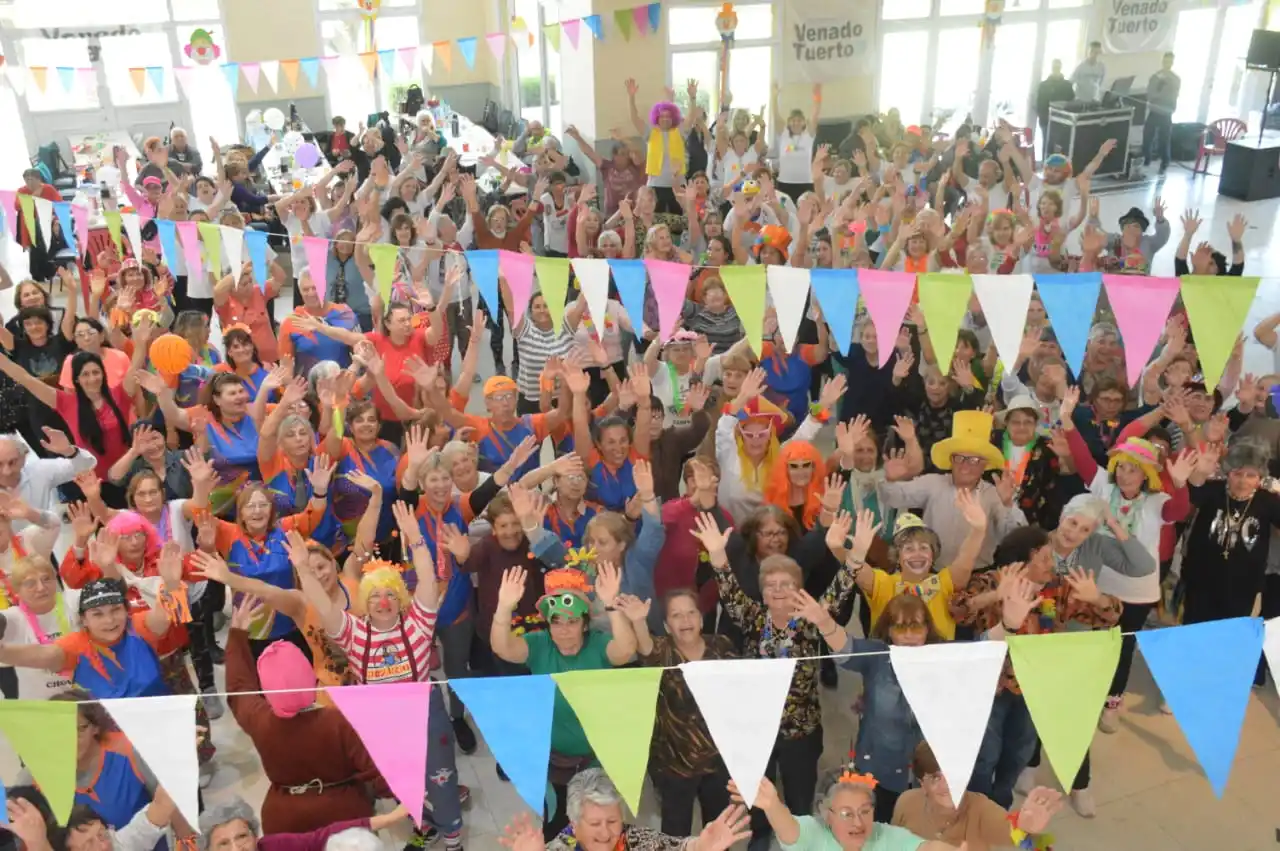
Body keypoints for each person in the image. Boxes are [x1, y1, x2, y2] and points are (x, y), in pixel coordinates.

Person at [219, 594, 391, 834]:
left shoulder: (261, 720)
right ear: (310, 677)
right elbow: (379, 773)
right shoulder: (337, 721)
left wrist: (237, 636)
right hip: (345, 818)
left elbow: (238, 691)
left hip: (284, 822)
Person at [489, 562, 638, 839]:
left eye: (572, 621)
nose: (564, 630)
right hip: (554, 759)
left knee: (599, 829)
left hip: (597, 758)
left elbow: (626, 650)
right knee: (557, 827)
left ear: (585, 624)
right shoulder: (539, 645)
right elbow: (502, 647)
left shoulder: (598, 645)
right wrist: (503, 606)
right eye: (556, 622)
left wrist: (611, 605)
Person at [627, 588, 736, 836]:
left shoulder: (722, 646)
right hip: (674, 765)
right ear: (666, 625)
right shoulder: (662, 650)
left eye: (691, 613)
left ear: (701, 618)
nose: (685, 621)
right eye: (676, 615)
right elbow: (645, 648)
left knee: (720, 831)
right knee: (675, 835)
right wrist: (638, 621)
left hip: (718, 761)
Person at [499, 768, 752, 851]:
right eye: (595, 824)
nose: (606, 833)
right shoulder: (560, 847)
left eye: (612, 821)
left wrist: (700, 847)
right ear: (574, 824)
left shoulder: (634, 840)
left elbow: (674, 846)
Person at [892, 742, 1062, 851]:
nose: (947, 785)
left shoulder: (980, 808)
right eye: (936, 777)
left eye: (952, 775)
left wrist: (1026, 828)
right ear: (922, 782)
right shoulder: (907, 802)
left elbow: (1010, 830)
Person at [741, 771, 964, 851]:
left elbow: (925, 848)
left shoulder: (884, 837)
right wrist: (772, 805)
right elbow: (789, 829)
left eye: (865, 811)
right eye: (847, 814)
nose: (858, 822)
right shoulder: (815, 833)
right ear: (827, 813)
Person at [0, 555, 80, 698]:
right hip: (39, 708)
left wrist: (108, 567)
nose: (41, 588)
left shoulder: (74, 601)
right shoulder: (12, 618)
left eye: (46, 579)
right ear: (17, 591)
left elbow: (114, 595)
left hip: (84, 704)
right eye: (30, 583)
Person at [1143, 52, 1180, 174]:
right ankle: (1146, 159)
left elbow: (1172, 97)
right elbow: (1150, 95)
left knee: (1164, 139)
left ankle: (1165, 162)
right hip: (1154, 111)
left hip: (1166, 112)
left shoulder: (1175, 79)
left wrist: (1161, 95)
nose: (1167, 64)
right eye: (1165, 61)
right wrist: (1160, 94)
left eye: (1170, 61)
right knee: (1148, 136)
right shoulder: (1155, 77)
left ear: (1172, 62)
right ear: (1162, 61)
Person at [1035, 59, 1075, 140]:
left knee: (1061, 147)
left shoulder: (1067, 85)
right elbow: (1040, 105)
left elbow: (1071, 103)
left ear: (1061, 68)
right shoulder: (1044, 85)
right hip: (1047, 121)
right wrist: (1043, 120)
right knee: (1047, 147)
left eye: (1058, 67)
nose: (1056, 69)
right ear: (1051, 68)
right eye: (1054, 67)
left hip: (1063, 123)